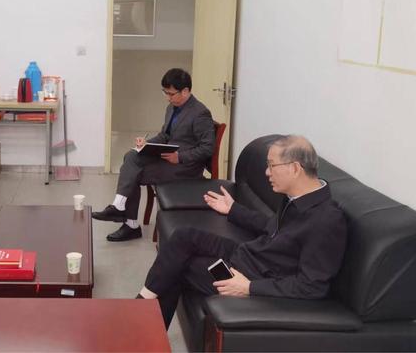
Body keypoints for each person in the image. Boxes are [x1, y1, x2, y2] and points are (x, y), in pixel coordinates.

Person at [136, 135, 348, 328]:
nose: (267, 172)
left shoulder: (326, 221)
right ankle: (141, 305)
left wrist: (249, 287)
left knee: (178, 268)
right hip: (248, 254)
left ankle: (140, 325)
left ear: (294, 168)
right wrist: (233, 210)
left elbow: (312, 286)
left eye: (272, 165)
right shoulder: (297, 197)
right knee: (184, 236)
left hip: (252, 275)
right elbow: (271, 226)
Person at [92, 68, 215, 241]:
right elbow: (165, 135)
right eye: (165, 93)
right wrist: (147, 144)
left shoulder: (200, 113)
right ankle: (119, 206)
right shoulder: (172, 108)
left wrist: (180, 157)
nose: (168, 98)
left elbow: (207, 148)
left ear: (186, 91)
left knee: (133, 173)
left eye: (171, 94)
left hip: (185, 167)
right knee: (131, 156)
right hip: (168, 158)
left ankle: (130, 224)